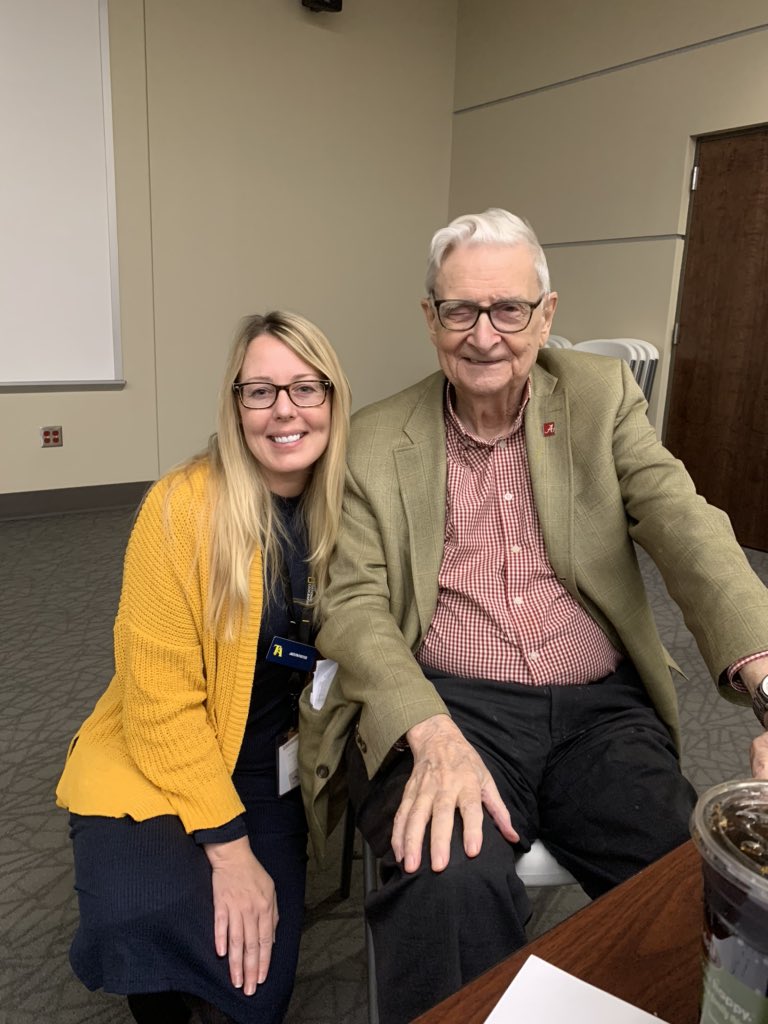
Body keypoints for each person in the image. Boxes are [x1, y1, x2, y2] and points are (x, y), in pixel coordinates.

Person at [298, 209, 768, 1023]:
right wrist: (430, 731)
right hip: (451, 706)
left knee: (698, 883)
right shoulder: (375, 439)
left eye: (508, 309)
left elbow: (682, 521)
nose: (485, 335)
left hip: (600, 715)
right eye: (460, 310)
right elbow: (353, 604)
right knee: (446, 875)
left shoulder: (598, 396)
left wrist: (767, 675)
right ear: (429, 317)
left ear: (546, 315)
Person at [56, 311, 351, 1024]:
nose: (284, 409)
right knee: (137, 916)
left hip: (267, 762)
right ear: (236, 405)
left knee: (259, 989)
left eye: (306, 388)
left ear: (333, 402)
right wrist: (229, 849)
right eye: (261, 391)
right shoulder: (180, 508)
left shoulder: (353, 506)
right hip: (156, 752)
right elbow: (157, 706)